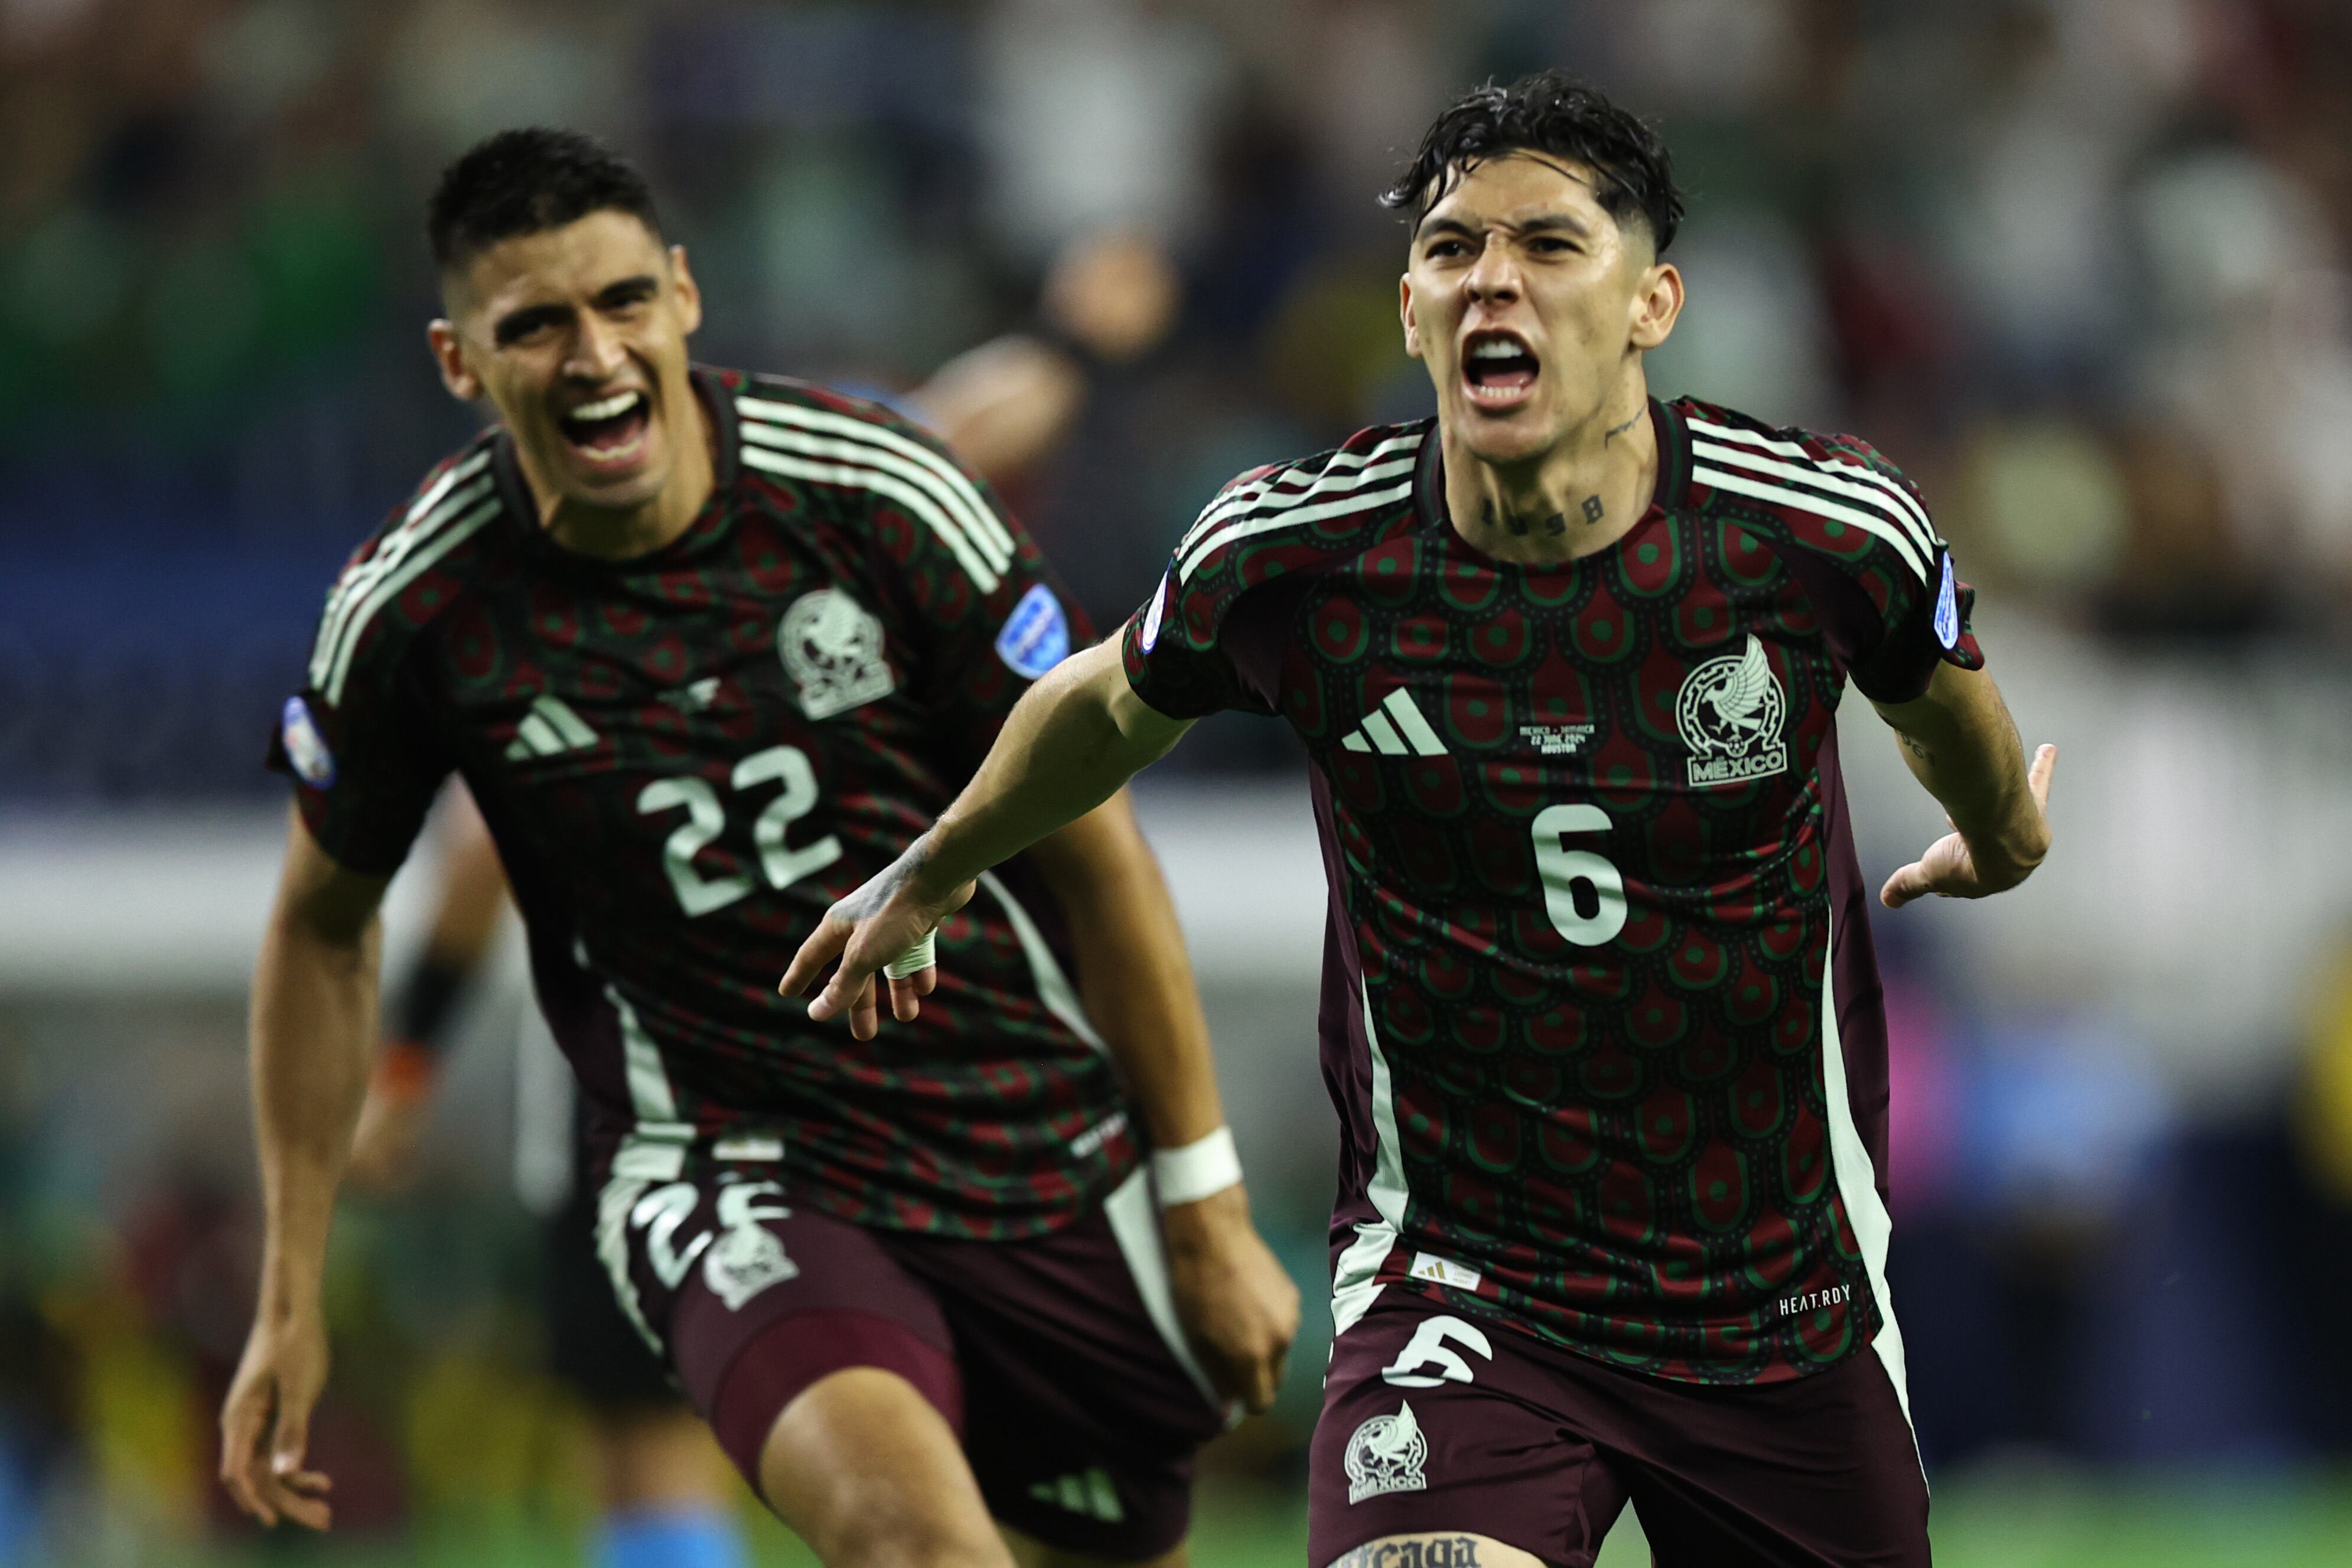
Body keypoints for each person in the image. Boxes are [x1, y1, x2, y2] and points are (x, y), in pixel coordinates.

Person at [780, 74, 2057, 1568]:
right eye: (1451, 250)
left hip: (1774, 1303)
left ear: (1651, 303)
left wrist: (2005, 841)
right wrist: (933, 870)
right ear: (1407, 308)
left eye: (1544, 245)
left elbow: (1940, 704)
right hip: (1465, 1292)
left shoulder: (1812, 534)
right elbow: (1102, 702)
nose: (1489, 280)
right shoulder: (1296, 554)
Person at [218, 127, 1298, 1568]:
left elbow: (1098, 852)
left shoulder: (873, 489)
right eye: (533, 325)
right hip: (721, 1156)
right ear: (459, 362)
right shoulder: (426, 613)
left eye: (617, 303)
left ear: (681, 294)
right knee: (914, 1543)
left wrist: (1203, 1198)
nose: (591, 355)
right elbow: (320, 919)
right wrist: (291, 1286)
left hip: (1014, 1136)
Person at [344, 788, 753, 1568]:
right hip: (746, 1063)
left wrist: (401, 1073)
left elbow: (476, 855)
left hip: (626, 1090)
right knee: (644, 1445)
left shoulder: (537, 672)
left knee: (644, 1443)